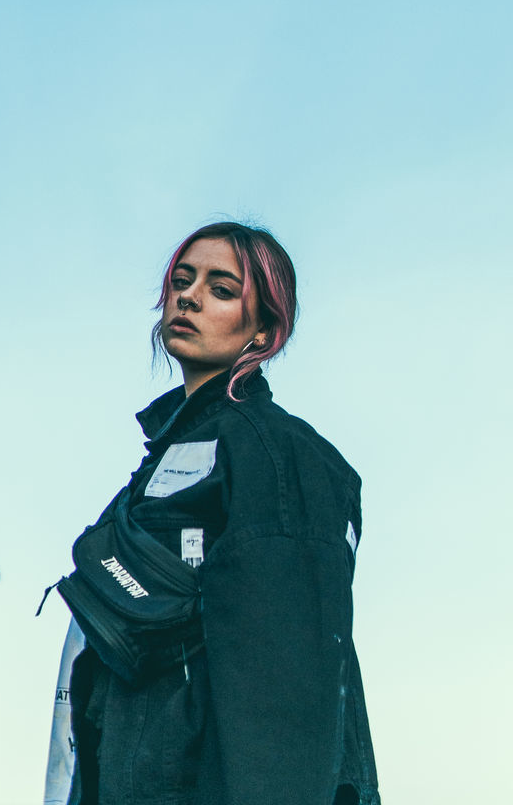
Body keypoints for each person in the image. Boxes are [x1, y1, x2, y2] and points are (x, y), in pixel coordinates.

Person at [49, 221, 381, 805]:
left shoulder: (279, 455)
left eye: (221, 289)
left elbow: (287, 696)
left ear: (265, 329)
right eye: (182, 279)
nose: (189, 296)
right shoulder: (162, 464)